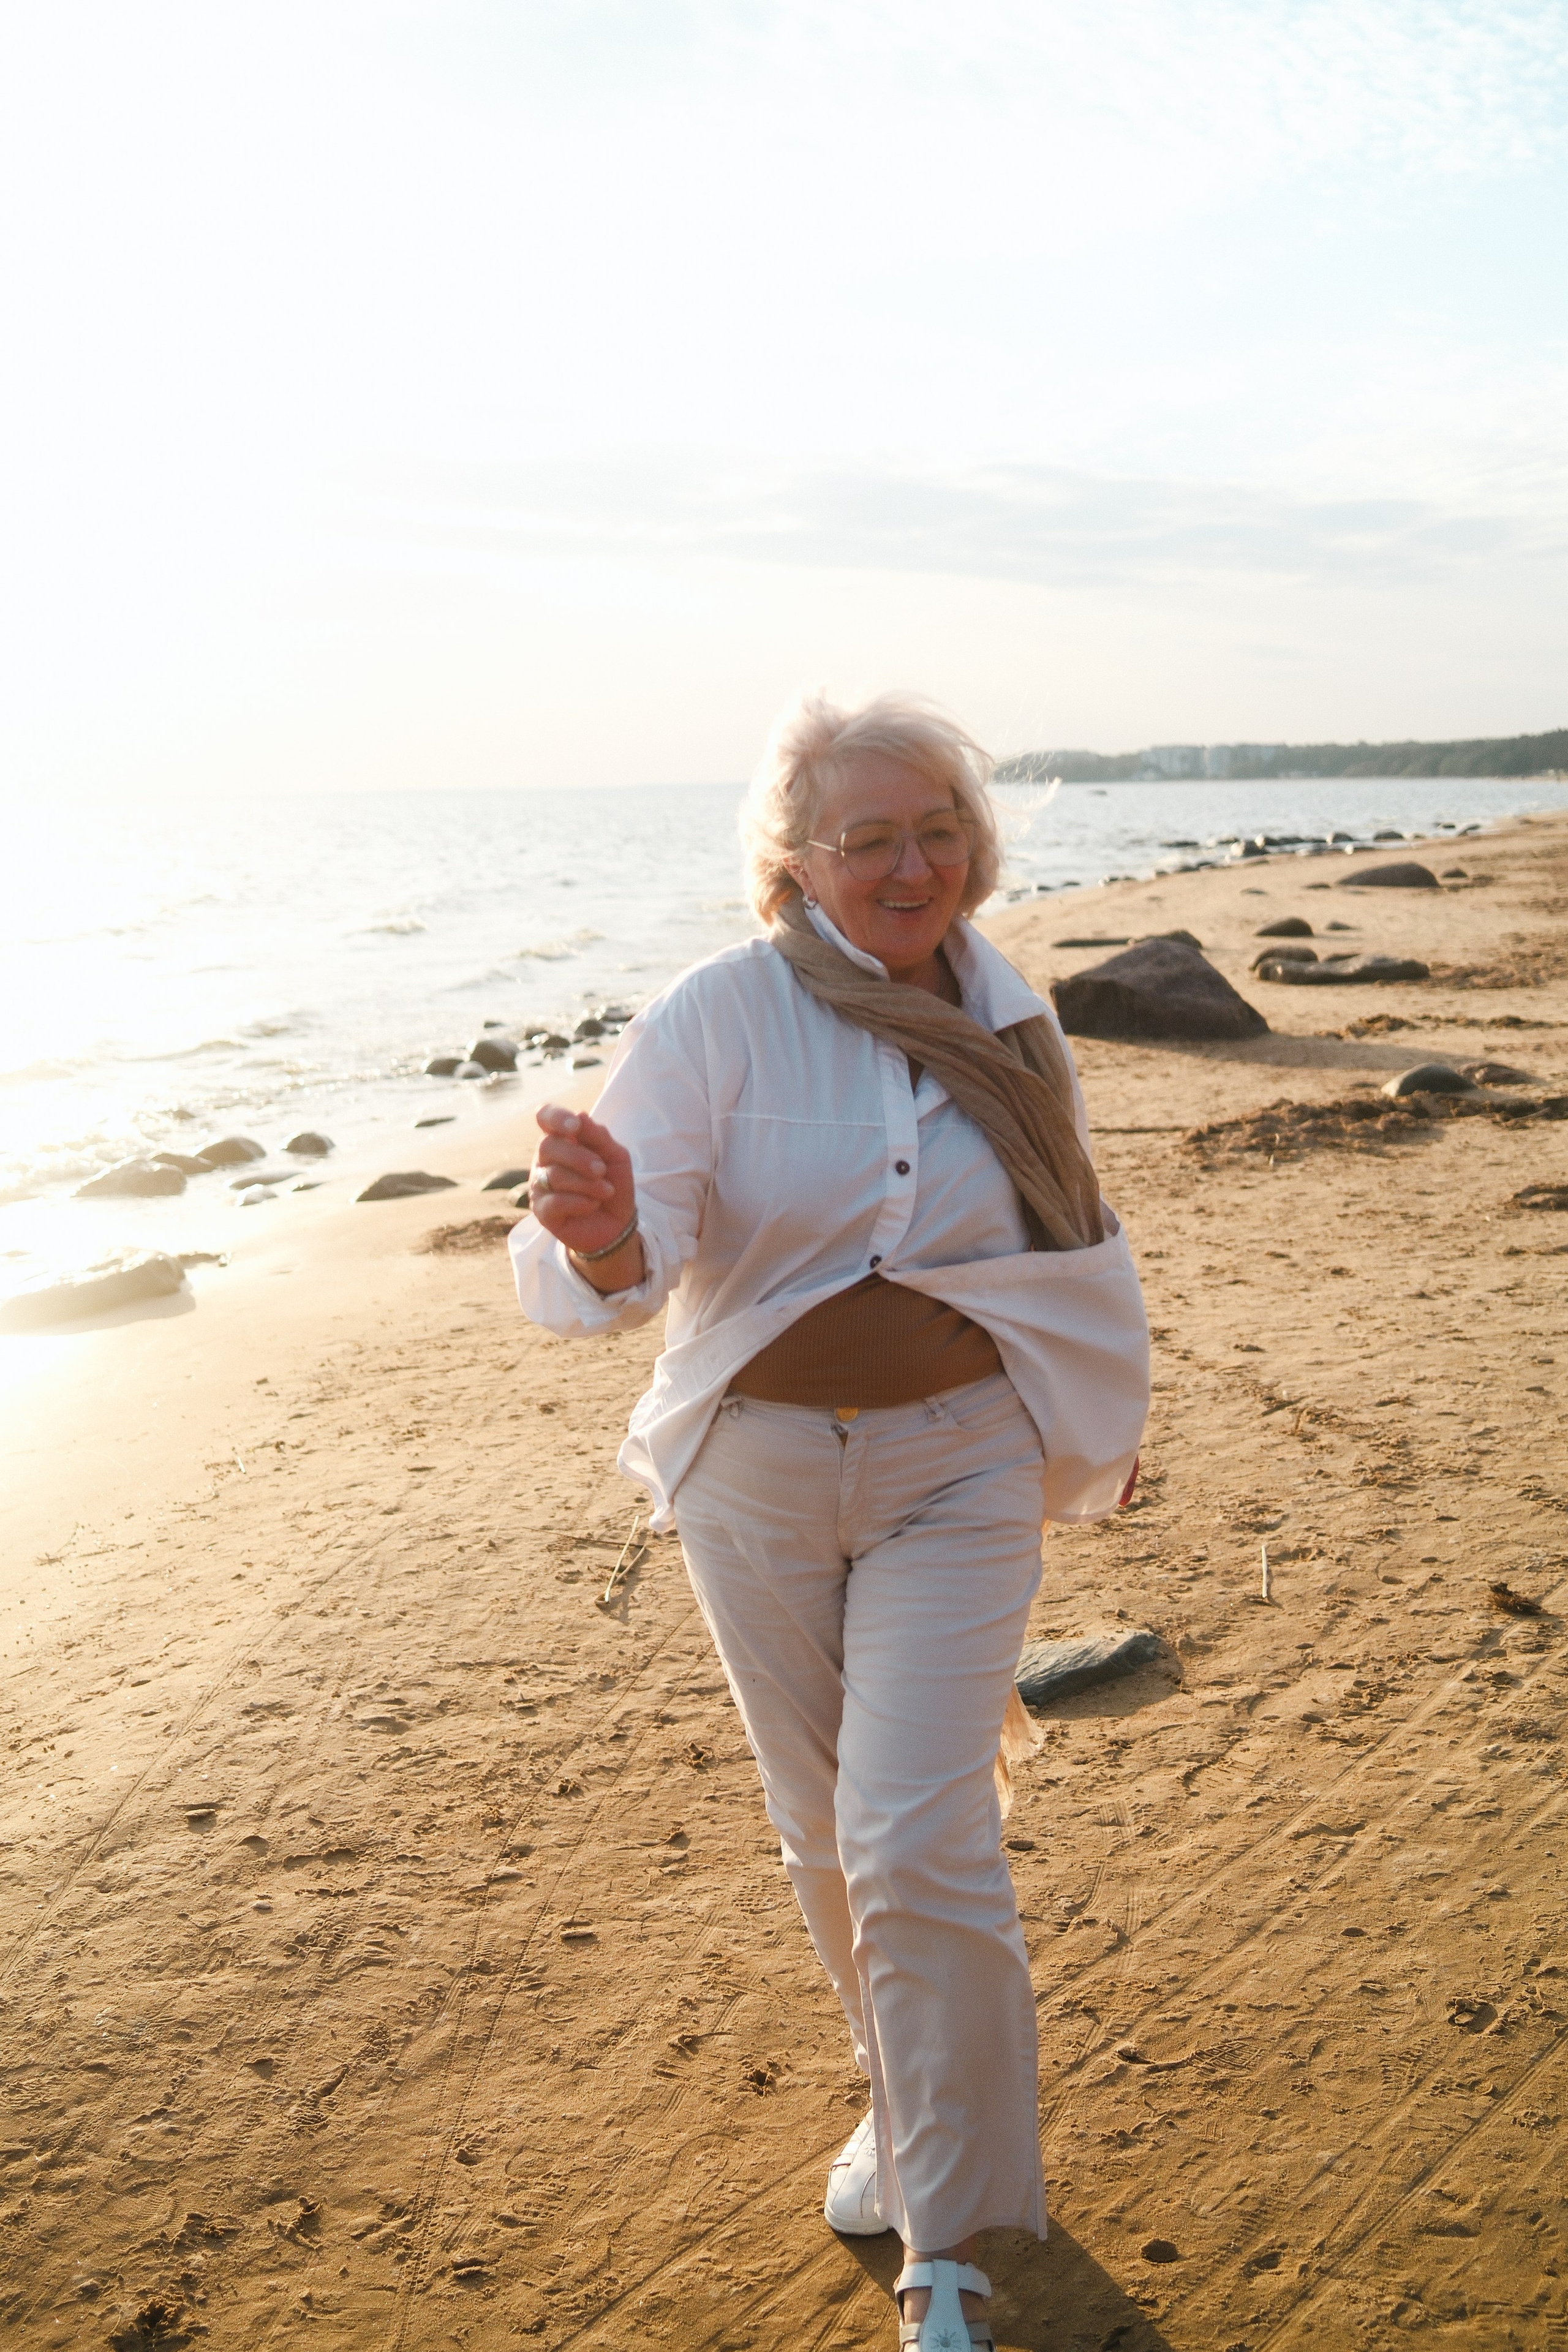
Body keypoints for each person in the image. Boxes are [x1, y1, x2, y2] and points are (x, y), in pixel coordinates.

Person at [511, 693, 1148, 2350]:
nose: (911, 862)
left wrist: (1087, 1409)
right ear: (794, 865)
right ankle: (907, 2108)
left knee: (914, 1834)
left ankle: (948, 2240)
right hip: (761, 1477)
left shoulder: (1013, 1019)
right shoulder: (719, 1017)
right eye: (867, 838)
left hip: (965, 1463)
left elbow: (1062, 1238)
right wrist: (592, 1232)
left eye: (938, 828)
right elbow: (616, 1267)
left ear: (977, 844)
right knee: (825, 1835)